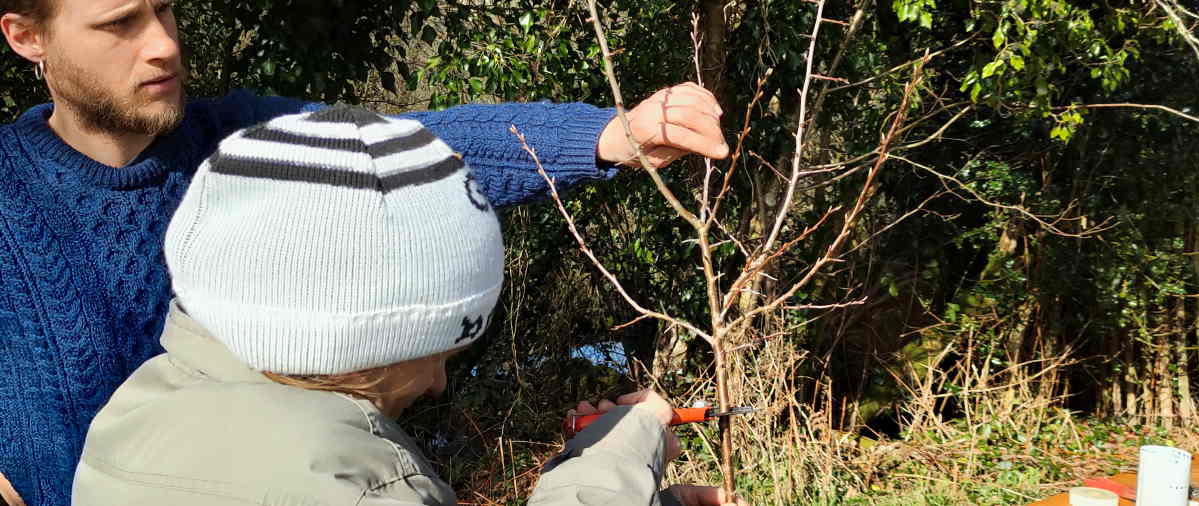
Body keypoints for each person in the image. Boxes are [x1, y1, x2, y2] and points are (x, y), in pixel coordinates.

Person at [0, 0, 728, 505]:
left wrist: (603, 139)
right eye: (119, 23)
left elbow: (411, 158)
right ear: (26, 37)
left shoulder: (244, 141)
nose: (161, 41)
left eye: (163, 10)